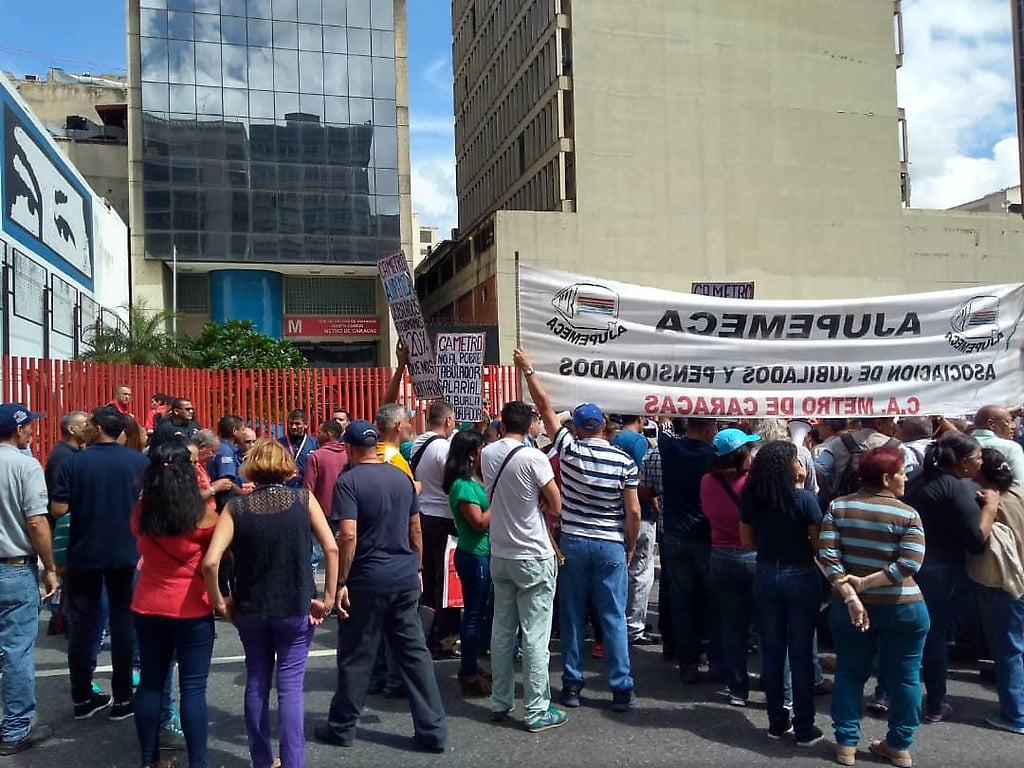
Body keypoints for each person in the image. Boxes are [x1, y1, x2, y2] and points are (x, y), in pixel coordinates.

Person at [516, 348, 641, 713]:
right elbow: (632, 510)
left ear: (579, 427)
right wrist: (629, 543)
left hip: (572, 540)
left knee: (571, 616)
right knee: (613, 616)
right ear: (603, 425)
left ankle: (572, 683)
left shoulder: (568, 450)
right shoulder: (623, 460)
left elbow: (544, 406)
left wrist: (529, 370)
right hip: (610, 544)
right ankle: (621, 687)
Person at [204, 439, 339, 768]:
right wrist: (328, 597)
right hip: (294, 602)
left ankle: (262, 759)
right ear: (287, 469)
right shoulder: (303, 500)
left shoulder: (235, 508)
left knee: (258, 680)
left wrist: (221, 603)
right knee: (290, 688)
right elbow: (331, 548)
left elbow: (211, 561)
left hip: (251, 605)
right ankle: (294, 762)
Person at [314, 420, 448, 753]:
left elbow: (348, 534)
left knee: (357, 654)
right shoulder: (402, 478)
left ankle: (342, 726)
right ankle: (433, 731)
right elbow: (415, 527)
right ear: (376, 446)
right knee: (414, 654)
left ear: (349, 448)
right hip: (403, 574)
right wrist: (416, 566)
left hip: (368, 578)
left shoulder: (349, 482)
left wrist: (340, 580)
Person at [819, 446, 929, 767]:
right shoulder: (908, 515)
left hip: (850, 607)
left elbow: (828, 557)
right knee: (906, 678)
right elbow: (911, 563)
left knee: (850, 674)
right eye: (900, 473)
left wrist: (852, 594)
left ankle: (846, 744)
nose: (905, 478)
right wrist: (868, 583)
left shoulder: (839, 507)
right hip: (904, 606)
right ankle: (899, 745)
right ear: (885, 477)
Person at [52, 405, 149, 722]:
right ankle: (123, 696)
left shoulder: (75, 462)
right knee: (123, 624)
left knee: (83, 624)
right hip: (127, 552)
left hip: (85, 552)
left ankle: (82, 695)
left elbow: (57, 508)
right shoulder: (138, 461)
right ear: (121, 430)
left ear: (96, 428)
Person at [131, 440, 219, 768]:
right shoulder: (202, 513)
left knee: (152, 682)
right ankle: (198, 763)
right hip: (191, 606)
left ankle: (150, 759)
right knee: (194, 688)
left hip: (147, 602)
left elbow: (136, 535)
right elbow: (220, 551)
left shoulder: (143, 507)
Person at [482, 400, 565, 731]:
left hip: (501, 551)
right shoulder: (534, 457)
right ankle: (536, 709)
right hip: (533, 553)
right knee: (535, 635)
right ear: (529, 423)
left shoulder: (488, 454)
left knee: (502, 631)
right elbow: (555, 502)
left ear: (502, 423)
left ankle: (501, 701)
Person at [903, 430, 997, 723]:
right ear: (964, 463)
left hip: (910, 564)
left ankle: (886, 694)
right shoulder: (958, 488)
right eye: (978, 456)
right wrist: (991, 509)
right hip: (939, 570)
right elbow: (976, 538)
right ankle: (936, 703)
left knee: (903, 634)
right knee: (934, 636)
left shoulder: (918, 478)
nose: (982, 461)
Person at [739, 440, 824, 746]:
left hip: (765, 572)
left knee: (772, 652)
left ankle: (777, 722)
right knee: (800, 653)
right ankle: (804, 726)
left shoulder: (752, 498)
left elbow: (747, 542)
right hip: (800, 572)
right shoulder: (803, 500)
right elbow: (819, 545)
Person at [0, 403, 56, 755]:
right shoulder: (24, 465)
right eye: (29, 426)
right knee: (16, 650)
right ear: (18, 430)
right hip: (14, 565)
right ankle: (16, 727)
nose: (33, 430)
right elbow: (36, 521)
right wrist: (50, 566)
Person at [657, 416, 720, 682]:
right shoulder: (713, 456)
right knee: (710, 598)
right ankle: (709, 653)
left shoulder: (669, 449)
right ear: (707, 428)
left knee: (681, 600)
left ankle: (687, 662)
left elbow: (664, 428)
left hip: (674, 533)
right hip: (704, 534)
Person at [700, 428, 760, 707]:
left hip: (720, 556)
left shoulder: (707, 481)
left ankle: (737, 689)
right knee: (764, 624)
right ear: (741, 454)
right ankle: (773, 686)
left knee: (732, 626)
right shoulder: (752, 483)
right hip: (751, 556)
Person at [968, 449, 1024, 735]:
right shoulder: (1018, 492)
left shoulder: (987, 500)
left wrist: (986, 510)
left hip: (1008, 584)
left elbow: (978, 537)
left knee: (1009, 649)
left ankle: (1015, 713)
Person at [442, 429, 493, 697]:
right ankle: (469, 670)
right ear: (473, 454)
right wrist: (498, 500)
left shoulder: (476, 480)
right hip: (474, 554)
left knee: (479, 612)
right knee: (473, 614)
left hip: (481, 553)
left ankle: (472, 664)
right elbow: (478, 522)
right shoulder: (463, 486)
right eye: (483, 448)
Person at [411, 401, 459, 657]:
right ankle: (443, 637)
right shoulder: (443, 447)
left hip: (423, 513)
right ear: (448, 421)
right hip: (443, 518)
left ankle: (427, 630)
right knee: (446, 582)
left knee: (429, 580)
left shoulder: (420, 442)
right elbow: (453, 480)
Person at [612, 414, 660, 645]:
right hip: (639, 513)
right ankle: (634, 626)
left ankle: (621, 620)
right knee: (641, 573)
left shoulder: (613, 438)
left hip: (616, 512)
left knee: (623, 571)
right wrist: (654, 504)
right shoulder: (638, 442)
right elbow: (642, 482)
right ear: (640, 418)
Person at [44, 410, 91, 636]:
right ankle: (64, 619)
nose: (89, 427)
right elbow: (61, 499)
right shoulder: (65, 456)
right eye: (85, 424)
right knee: (69, 578)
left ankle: (61, 617)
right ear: (72, 429)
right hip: (66, 526)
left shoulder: (70, 453)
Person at [972, 405, 1024, 486]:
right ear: (991, 423)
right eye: (1009, 421)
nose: (1013, 426)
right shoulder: (1011, 448)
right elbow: (1019, 485)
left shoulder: (956, 445)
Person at [280, 409, 315, 488]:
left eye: (297, 424)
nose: (293, 427)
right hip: (285, 489)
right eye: (291, 423)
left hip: (306, 488)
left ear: (306, 425)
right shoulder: (279, 444)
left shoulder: (314, 444)